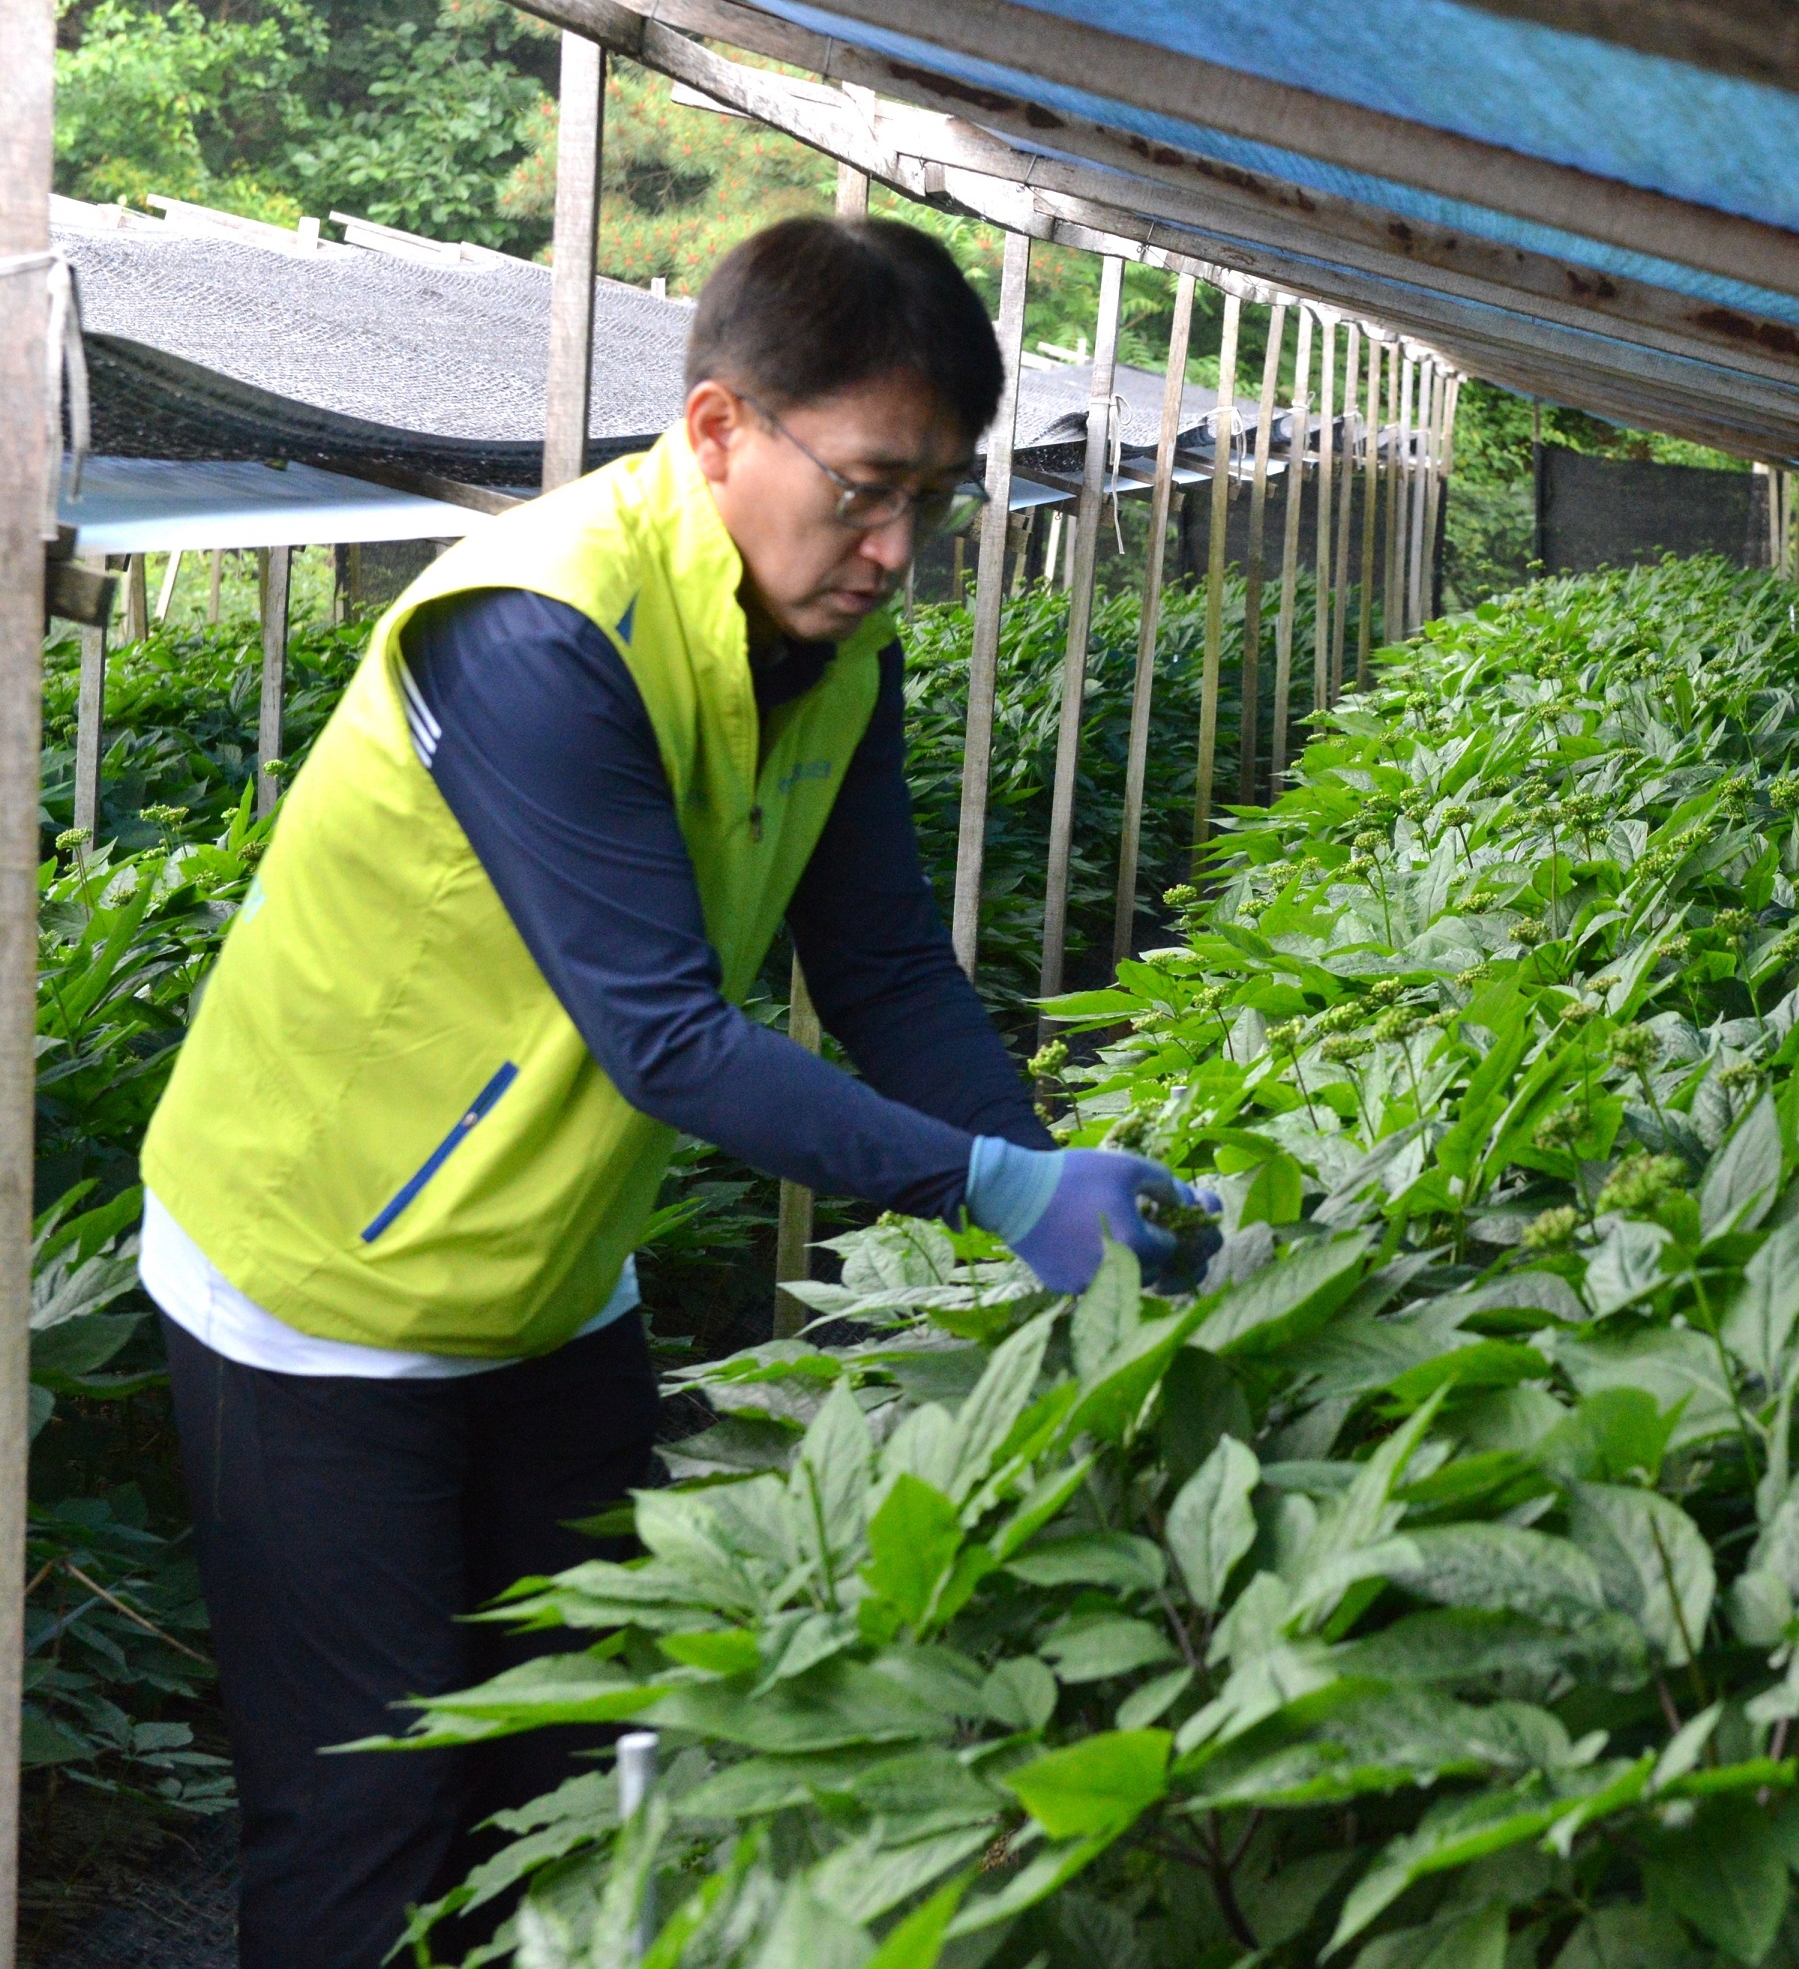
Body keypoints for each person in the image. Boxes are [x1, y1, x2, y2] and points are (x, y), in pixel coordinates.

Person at [138, 216, 1201, 1968]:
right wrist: (989, 1195)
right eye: (866, 486)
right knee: (368, 1814)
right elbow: (671, 1040)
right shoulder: (538, 634)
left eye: (933, 500)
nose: (893, 548)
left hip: (548, 1271)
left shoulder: (837, 656)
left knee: (584, 1750)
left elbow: (884, 972)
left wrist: (1035, 1156)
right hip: (316, 1280)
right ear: (716, 429)